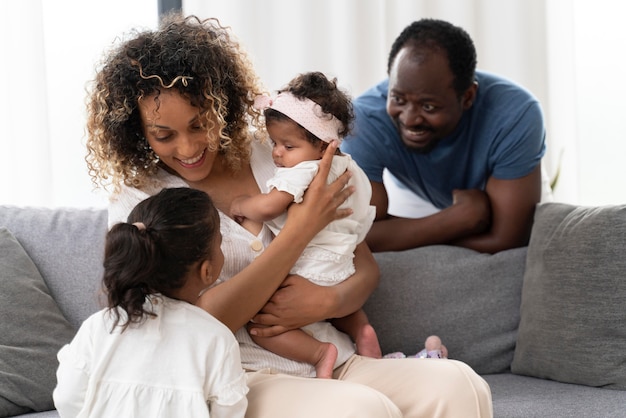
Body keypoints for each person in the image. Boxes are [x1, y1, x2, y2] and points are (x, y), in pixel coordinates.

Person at [85, 13, 493, 417]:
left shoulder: (282, 153)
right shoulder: (138, 200)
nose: (189, 147)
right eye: (164, 135)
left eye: (199, 124)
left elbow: (363, 267)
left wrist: (327, 300)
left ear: (219, 105)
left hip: (334, 360)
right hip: (239, 376)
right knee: (361, 410)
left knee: (460, 385)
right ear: (137, 131)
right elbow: (191, 325)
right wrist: (298, 231)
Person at [341, 18, 550, 254]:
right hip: (413, 193)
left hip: (504, 186)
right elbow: (358, 236)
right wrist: (459, 219)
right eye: (398, 99)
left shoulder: (515, 115)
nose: (409, 119)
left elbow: (507, 239)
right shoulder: (364, 120)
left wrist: (410, 236)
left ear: (468, 97)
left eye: (428, 106)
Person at [230, 71, 380, 378]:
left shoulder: (305, 170)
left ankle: (319, 352)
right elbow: (362, 220)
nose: (276, 153)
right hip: (342, 266)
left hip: (309, 267)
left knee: (261, 325)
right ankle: (362, 329)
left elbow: (270, 205)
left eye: (288, 145)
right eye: (274, 142)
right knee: (343, 313)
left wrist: (241, 204)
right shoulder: (352, 170)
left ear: (324, 144)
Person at [53, 187, 248, 418]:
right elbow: (229, 412)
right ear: (207, 270)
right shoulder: (216, 338)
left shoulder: (99, 326)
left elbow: (67, 398)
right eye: (220, 244)